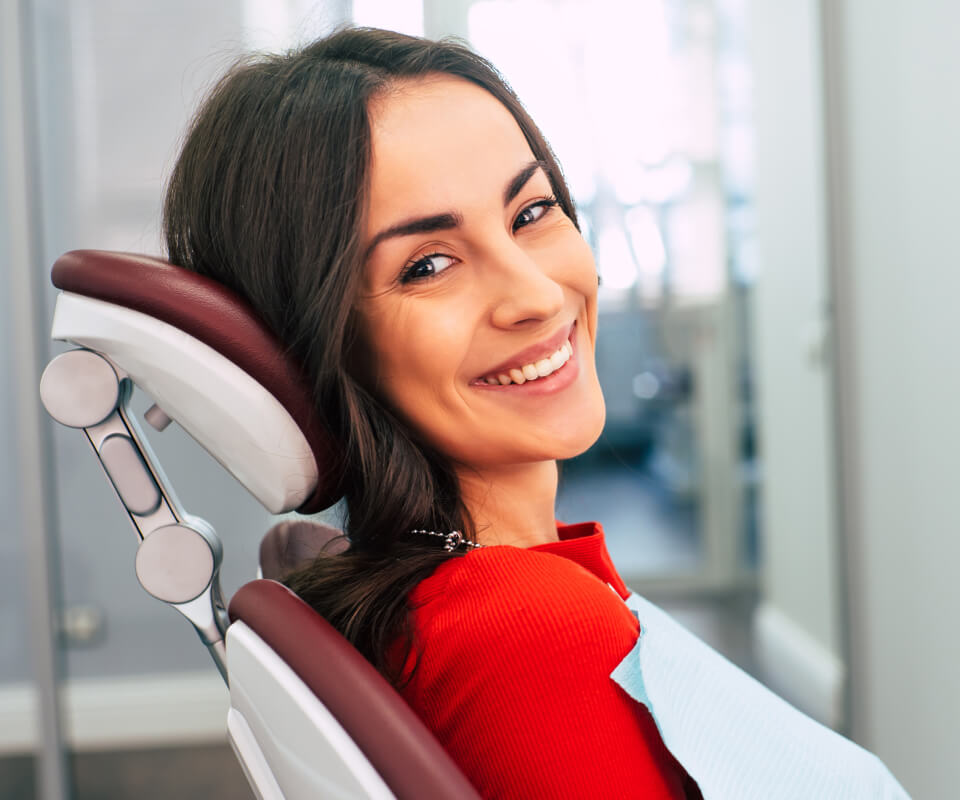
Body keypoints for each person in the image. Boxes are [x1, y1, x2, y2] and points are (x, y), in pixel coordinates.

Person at [163, 26, 908, 800]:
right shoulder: (525, 634)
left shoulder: (473, 600)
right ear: (315, 341)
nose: (537, 295)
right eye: (428, 265)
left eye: (531, 212)